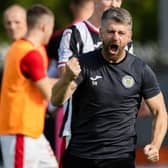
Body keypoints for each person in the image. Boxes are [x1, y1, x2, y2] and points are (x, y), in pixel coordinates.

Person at [51, 7, 168, 168]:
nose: (116, 37)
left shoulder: (140, 70)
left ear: (129, 37)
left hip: (120, 159)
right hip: (81, 156)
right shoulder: (83, 64)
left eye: (121, 33)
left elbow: (160, 112)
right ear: (100, 33)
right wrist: (67, 78)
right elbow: (57, 100)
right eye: (111, 32)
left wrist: (155, 144)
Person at [0, 4, 58, 168]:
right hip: (20, 129)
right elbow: (49, 93)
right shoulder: (28, 52)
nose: (12, 27)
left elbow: (42, 82)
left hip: (31, 131)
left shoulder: (29, 49)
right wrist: (71, 80)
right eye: (9, 23)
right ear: (44, 27)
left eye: (17, 22)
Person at [45, 0, 94, 162]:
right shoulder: (110, 33)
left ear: (72, 6)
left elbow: (49, 72)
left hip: (66, 110)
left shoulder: (61, 35)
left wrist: (51, 105)